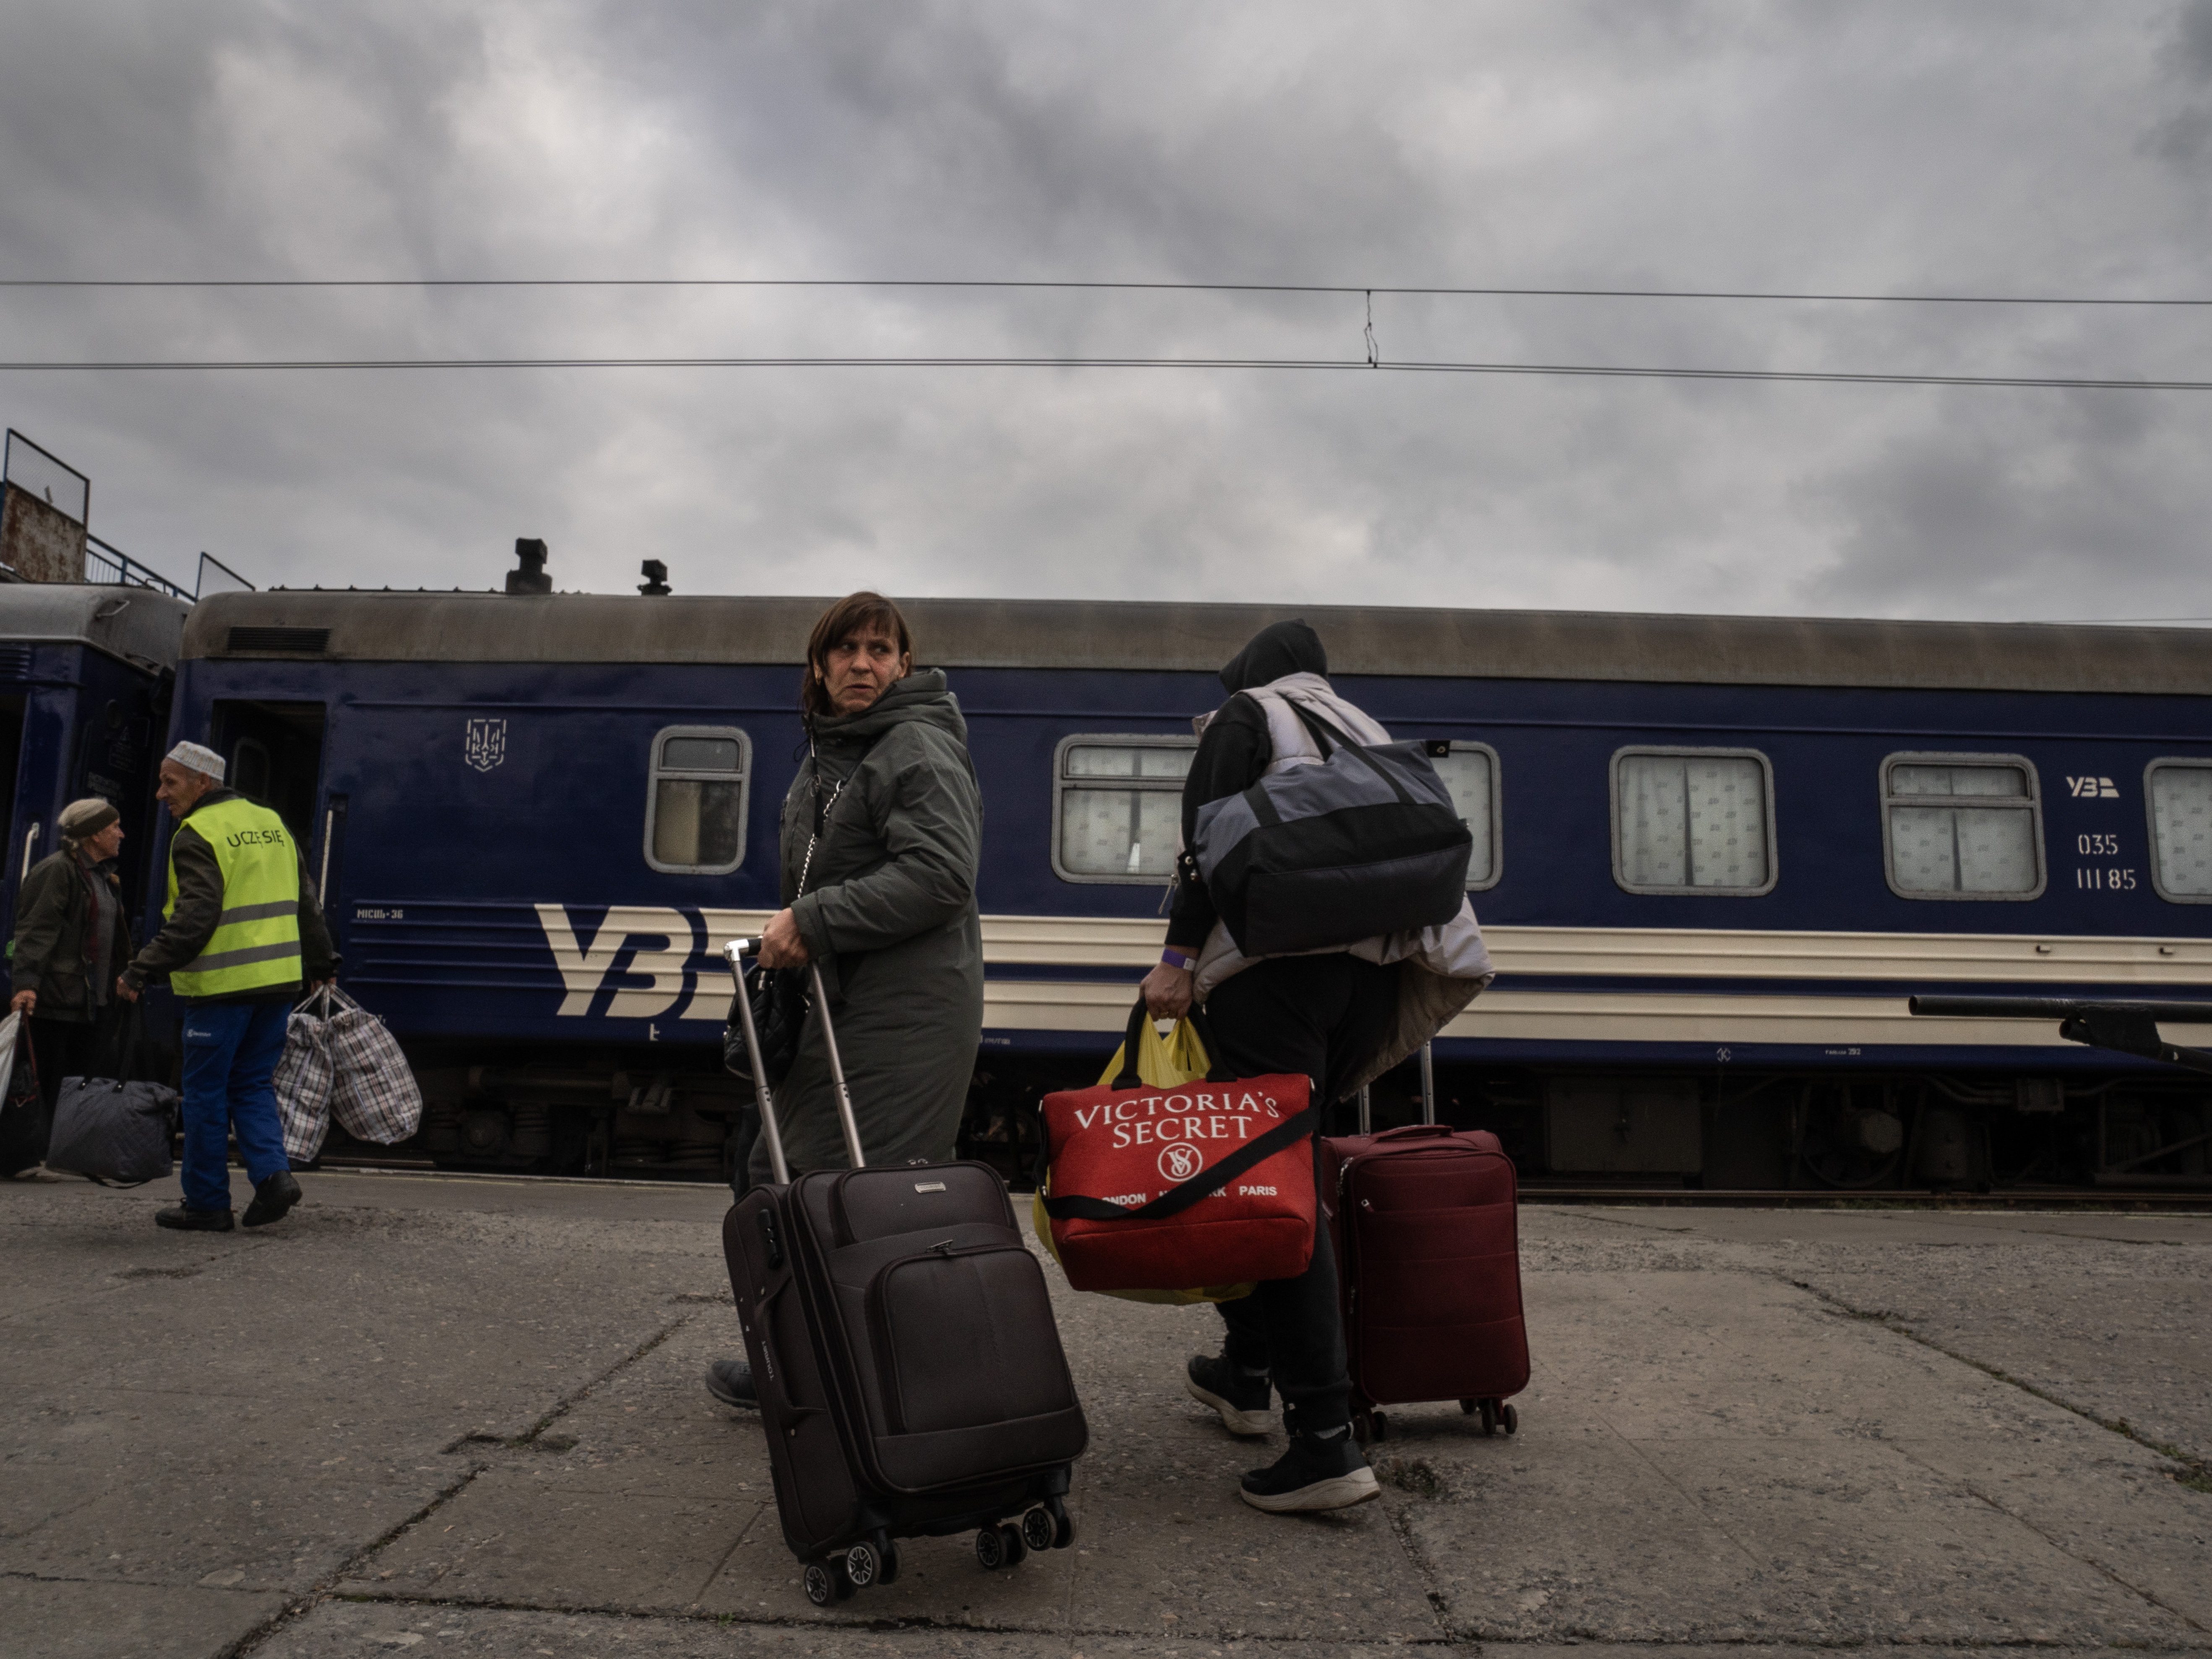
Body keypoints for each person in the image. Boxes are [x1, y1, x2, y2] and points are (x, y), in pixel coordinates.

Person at [1139, 619, 1493, 1513]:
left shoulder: (1244, 716)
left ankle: (1323, 1440)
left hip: (1273, 982)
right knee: (1283, 1173)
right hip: (1369, 985)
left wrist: (1176, 962)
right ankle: (1246, 1370)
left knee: (1271, 1185)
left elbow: (1201, 853)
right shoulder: (1364, 728)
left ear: (1249, 675)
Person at [706, 591, 987, 1412]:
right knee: (777, 1174)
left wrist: (814, 921)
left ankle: (866, 1390)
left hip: (899, 1016)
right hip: (834, 1005)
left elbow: (940, 876)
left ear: (903, 664)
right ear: (819, 666)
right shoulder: (834, 756)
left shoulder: (914, 750)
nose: (861, 664)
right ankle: (807, 1363)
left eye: (878, 650)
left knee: (851, 1195)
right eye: (844, 651)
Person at [117, 742, 339, 1232]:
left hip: (222, 988)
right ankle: (274, 1178)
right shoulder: (272, 823)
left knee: (204, 1095)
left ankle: (207, 1203)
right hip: (278, 985)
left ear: (203, 782)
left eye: (170, 782)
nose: (160, 794)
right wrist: (322, 961)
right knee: (253, 1085)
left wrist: (141, 969)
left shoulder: (197, 831)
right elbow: (307, 902)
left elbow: (195, 917)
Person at [5, 797, 135, 1177]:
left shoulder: (105, 878)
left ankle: (62, 1155)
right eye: (115, 827)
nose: (121, 834)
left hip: (93, 999)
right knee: (44, 1076)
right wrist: (27, 984)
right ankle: (28, 1158)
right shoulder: (57, 871)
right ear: (94, 833)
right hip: (58, 997)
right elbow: (35, 930)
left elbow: (115, 940)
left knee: (79, 1078)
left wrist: (128, 978)